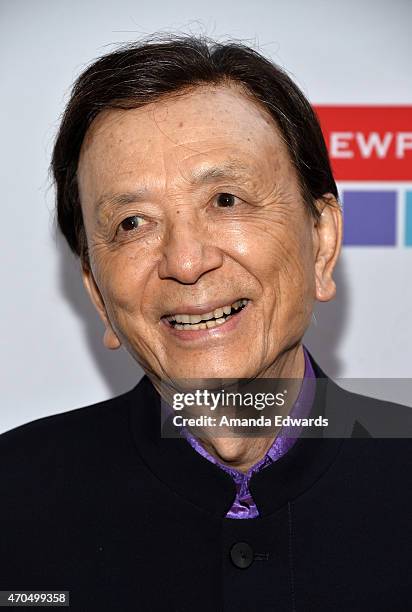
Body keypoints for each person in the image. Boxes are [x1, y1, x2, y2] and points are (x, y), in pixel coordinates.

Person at [0, 35, 411, 611]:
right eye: (133, 222)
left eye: (225, 200)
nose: (186, 261)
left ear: (321, 244)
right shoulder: (12, 502)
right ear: (97, 293)